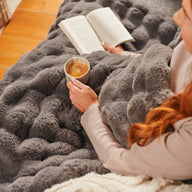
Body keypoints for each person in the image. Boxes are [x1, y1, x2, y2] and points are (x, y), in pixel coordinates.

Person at [67, 0, 192, 180]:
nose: (176, 17)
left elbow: (119, 160)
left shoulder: (187, 149)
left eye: (186, 16)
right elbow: (171, 63)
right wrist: (126, 56)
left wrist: (91, 109)